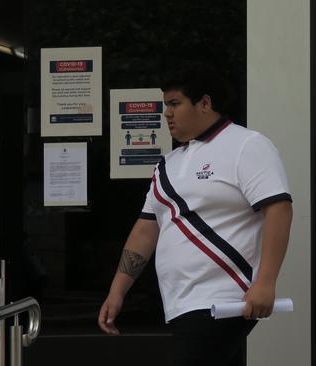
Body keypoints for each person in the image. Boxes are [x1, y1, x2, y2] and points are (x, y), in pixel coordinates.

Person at [98, 63, 293, 366]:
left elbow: (279, 210)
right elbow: (145, 231)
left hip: (223, 300)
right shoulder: (168, 164)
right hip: (179, 303)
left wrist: (265, 283)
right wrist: (117, 291)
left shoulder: (246, 145)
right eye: (166, 105)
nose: (167, 113)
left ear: (205, 103)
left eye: (175, 104)